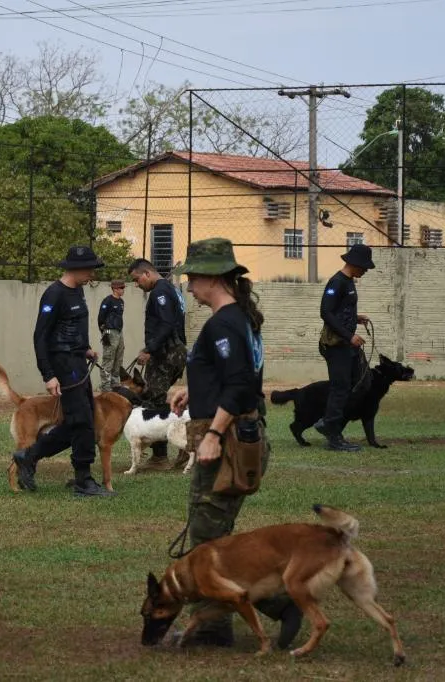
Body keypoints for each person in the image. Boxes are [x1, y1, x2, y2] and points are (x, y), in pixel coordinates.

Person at [167, 238, 302, 650]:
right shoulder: (238, 318)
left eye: (193, 277)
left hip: (227, 441)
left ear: (213, 278)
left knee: (207, 538)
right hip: (238, 434)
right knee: (215, 534)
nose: (189, 286)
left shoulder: (224, 323)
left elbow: (241, 383)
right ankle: (276, 607)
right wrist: (196, 390)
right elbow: (232, 375)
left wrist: (211, 433)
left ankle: (217, 627)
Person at [11, 246, 114, 497]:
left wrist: (86, 348)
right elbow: (40, 336)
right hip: (63, 365)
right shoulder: (53, 294)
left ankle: (29, 456)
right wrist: (48, 374)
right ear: (75, 268)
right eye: (89, 268)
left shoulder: (77, 291)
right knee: (81, 421)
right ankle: (83, 481)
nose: (92, 273)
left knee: (80, 421)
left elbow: (74, 326)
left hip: (78, 362)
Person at [127, 258, 187, 470]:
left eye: (137, 280)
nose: (137, 284)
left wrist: (149, 349)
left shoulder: (159, 291)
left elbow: (166, 324)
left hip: (166, 353)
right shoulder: (169, 289)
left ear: (147, 274)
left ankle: (160, 456)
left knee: (153, 399)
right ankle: (183, 450)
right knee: (159, 398)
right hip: (175, 351)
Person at [315, 243, 376, 452]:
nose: (366, 270)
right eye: (364, 266)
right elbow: (326, 312)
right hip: (337, 345)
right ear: (355, 263)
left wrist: (355, 319)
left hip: (346, 344)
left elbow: (340, 311)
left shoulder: (349, 282)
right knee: (340, 388)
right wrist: (350, 336)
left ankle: (328, 423)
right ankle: (333, 434)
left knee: (358, 383)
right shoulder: (336, 282)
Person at [97, 279, 126, 392]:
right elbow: (101, 318)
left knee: (118, 357)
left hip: (119, 332)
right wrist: (104, 333)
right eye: (121, 288)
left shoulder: (121, 302)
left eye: (123, 288)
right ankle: (105, 386)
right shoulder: (107, 301)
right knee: (108, 359)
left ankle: (115, 384)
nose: (123, 290)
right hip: (109, 331)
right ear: (115, 289)